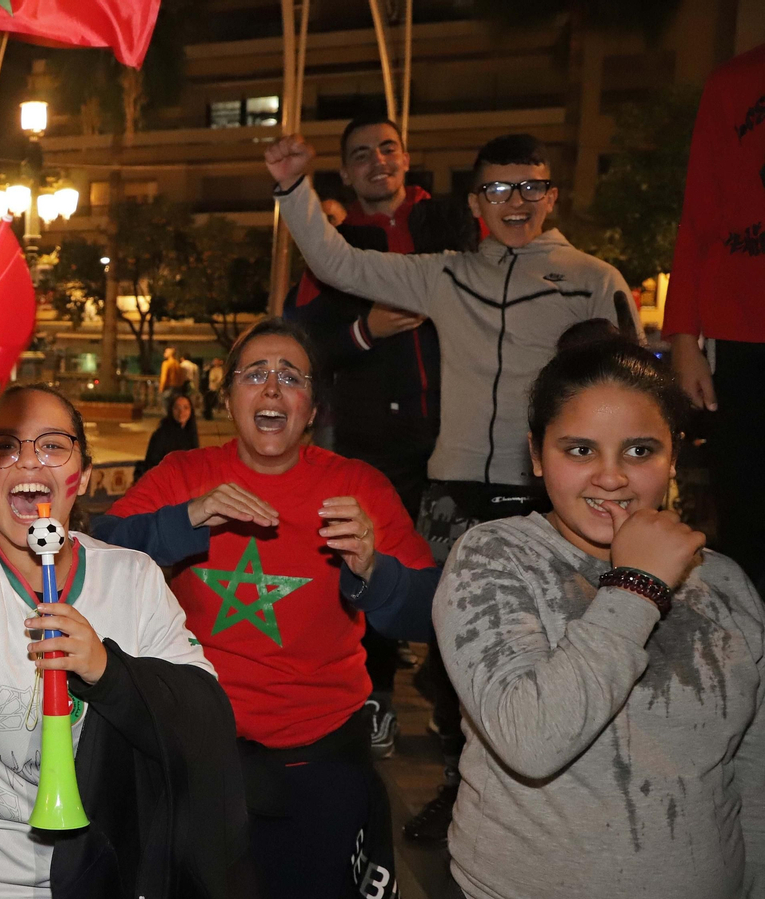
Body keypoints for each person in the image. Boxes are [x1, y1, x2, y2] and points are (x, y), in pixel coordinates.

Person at [265, 130, 638, 842]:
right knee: (452, 651)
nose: (516, 202)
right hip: (456, 488)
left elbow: (628, 390)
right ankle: (463, 785)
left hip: (551, 495)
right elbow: (337, 259)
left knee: (563, 641)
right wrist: (292, 190)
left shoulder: (594, 277)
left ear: (552, 195)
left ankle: (567, 795)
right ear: (475, 202)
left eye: (530, 186)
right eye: (499, 189)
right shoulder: (445, 274)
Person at [92, 319, 439, 898]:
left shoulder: (360, 488)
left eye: (290, 377)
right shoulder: (185, 474)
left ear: (311, 407)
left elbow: (429, 613)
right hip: (196, 758)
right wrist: (185, 521)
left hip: (323, 761)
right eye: (254, 375)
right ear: (228, 398)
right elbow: (94, 559)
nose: (272, 388)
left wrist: (374, 570)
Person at [0, 384, 250, 898]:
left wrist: (108, 671)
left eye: (52, 445)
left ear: (84, 476)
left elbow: (206, 718)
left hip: (100, 872)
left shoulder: (133, 578)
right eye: (4, 446)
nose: (28, 462)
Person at [433, 323, 765, 898]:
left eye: (640, 450)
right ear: (537, 455)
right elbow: (531, 743)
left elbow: (753, 774)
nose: (611, 478)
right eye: (580, 450)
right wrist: (638, 585)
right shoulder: (493, 558)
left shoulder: (728, 584)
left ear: (673, 456)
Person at [286, 116, 479, 761]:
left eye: (388, 148)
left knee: (467, 580)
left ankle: (461, 727)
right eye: (361, 155)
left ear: (406, 157)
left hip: (462, 440)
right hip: (376, 444)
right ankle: (379, 701)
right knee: (373, 570)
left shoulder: (453, 225)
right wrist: (365, 329)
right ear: (345, 172)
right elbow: (302, 339)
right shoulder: (335, 246)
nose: (378, 162)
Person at [665, 42, 765, 590]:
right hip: (747, 335)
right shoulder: (734, 81)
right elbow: (699, 212)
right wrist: (683, 336)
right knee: (749, 517)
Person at [137, 392, 198, 479]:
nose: (181, 412)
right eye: (177, 408)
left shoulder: (190, 433)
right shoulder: (161, 434)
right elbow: (153, 464)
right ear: (171, 410)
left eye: (186, 408)